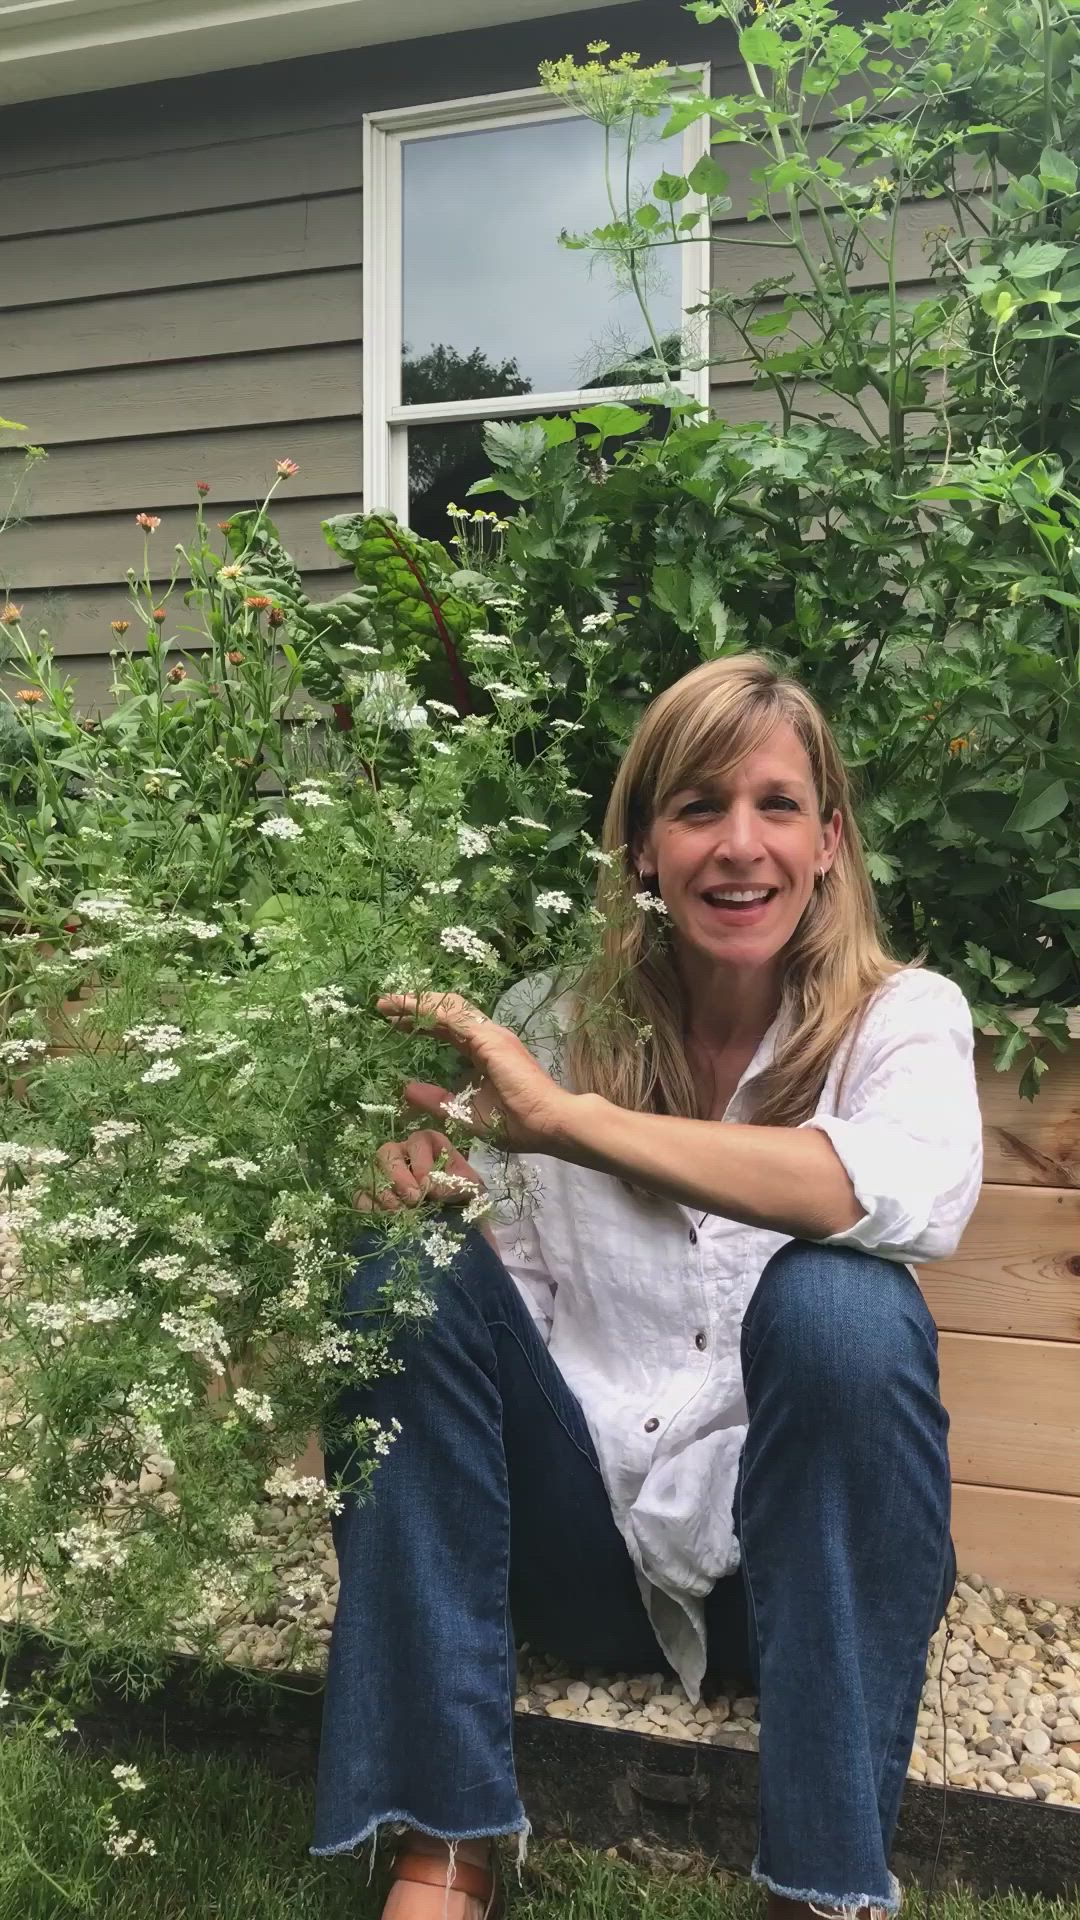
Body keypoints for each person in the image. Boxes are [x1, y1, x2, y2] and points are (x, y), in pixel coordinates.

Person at [312, 654, 983, 1920]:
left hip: (780, 1587)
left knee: (846, 1305)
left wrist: (577, 1129)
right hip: (577, 1554)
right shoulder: (550, 1024)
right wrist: (429, 1207)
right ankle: (440, 1843)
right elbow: (501, 1311)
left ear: (830, 840)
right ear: (640, 850)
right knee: (399, 1272)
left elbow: (907, 1193)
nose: (742, 847)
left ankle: (825, 1889)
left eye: (778, 806)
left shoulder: (906, 1020)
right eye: (697, 809)